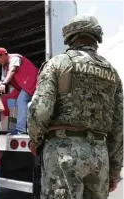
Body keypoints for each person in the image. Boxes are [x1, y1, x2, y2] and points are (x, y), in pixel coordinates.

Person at [27, 15, 123, 199]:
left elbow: (41, 110)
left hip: (63, 154)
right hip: (99, 156)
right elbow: (118, 128)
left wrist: (35, 141)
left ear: (70, 36)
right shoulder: (113, 74)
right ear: (97, 38)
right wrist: (114, 171)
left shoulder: (58, 64)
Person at [0, 47, 38, 135]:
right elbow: (2, 79)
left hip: (32, 83)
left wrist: (4, 84)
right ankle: (11, 125)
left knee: (21, 100)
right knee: (9, 100)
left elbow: (12, 70)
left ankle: (21, 129)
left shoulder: (14, 58)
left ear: (4, 54)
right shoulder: (4, 66)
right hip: (23, 87)